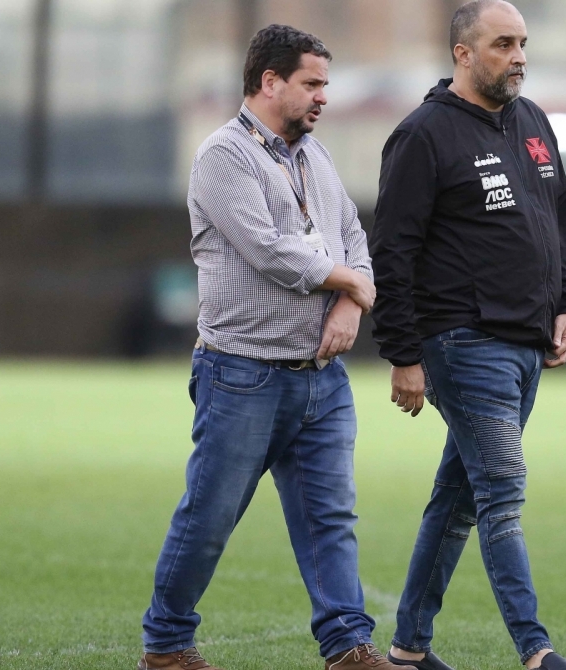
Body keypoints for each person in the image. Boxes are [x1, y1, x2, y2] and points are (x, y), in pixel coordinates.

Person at [139, 25, 392, 670]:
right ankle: (166, 646)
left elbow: (354, 240)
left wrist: (346, 301)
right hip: (241, 375)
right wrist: (349, 284)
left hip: (322, 379)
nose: (323, 98)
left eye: (325, 85)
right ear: (269, 81)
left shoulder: (317, 157)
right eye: (312, 84)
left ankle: (348, 647)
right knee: (210, 518)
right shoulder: (222, 156)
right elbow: (267, 251)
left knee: (331, 520)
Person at [368, 3, 566, 670]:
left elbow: (558, 225)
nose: (518, 55)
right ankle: (537, 650)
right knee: (502, 493)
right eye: (502, 44)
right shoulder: (423, 135)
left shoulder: (534, 122)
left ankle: (407, 651)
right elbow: (392, 252)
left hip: (527, 345)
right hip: (463, 343)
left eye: (522, 43)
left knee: (457, 499)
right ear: (463, 53)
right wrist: (404, 353)